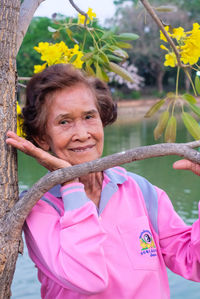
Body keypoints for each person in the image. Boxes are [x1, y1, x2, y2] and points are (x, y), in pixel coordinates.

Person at [6, 63, 200, 299]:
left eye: (89, 116)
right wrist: (69, 183)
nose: (82, 133)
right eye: (64, 122)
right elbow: (89, 279)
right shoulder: (38, 209)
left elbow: (194, 263)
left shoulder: (140, 191)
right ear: (42, 138)